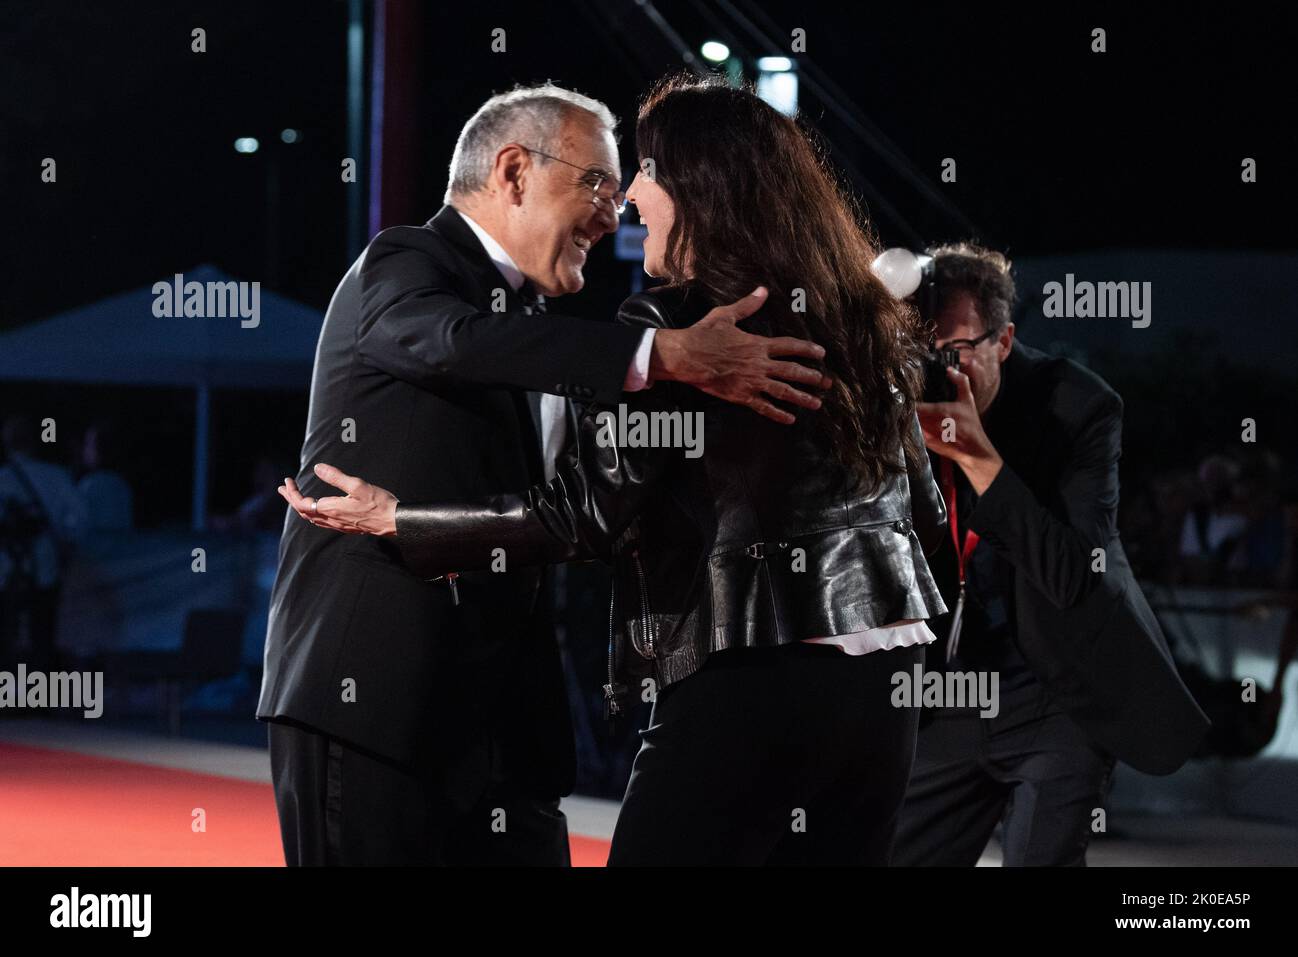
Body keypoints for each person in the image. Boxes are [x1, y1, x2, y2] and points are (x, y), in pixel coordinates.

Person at [281, 73, 950, 866]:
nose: (623, 201)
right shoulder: (407, 264)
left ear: (704, 187)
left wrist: (403, 521)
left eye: (637, 174)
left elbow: (580, 515)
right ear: (513, 172)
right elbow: (929, 519)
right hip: (383, 700)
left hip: (674, 692)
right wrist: (657, 356)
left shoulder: (659, 327)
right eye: (598, 178)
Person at [889, 243, 1210, 866]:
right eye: (922, 354)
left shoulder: (1078, 408)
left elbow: (1071, 573)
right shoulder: (899, 408)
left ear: (1003, 341)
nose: (937, 372)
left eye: (955, 354)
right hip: (952, 690)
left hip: (1058, 687)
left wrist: (980, 457)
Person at [0, 414, 84, 673]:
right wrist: (64, 540)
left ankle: (7, 699)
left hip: (3, 569)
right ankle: (40, 700)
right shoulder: (55, 476)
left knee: (4, 636)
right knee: (42, 634)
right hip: (44, 566)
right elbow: (80, 519)